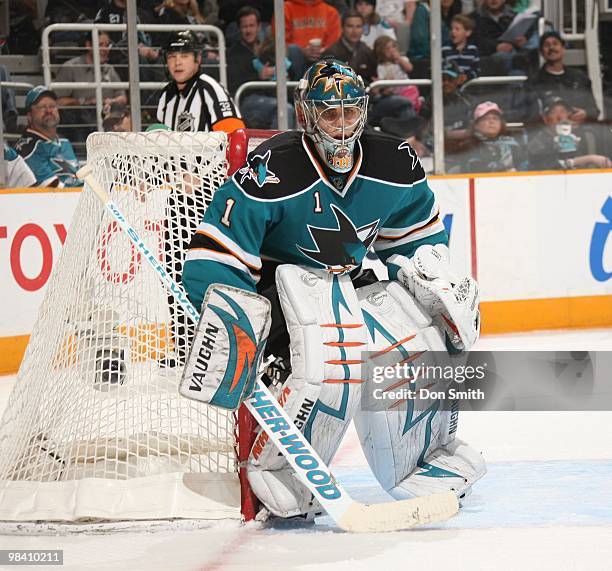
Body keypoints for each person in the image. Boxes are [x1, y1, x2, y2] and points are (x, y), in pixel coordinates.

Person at [182, 59, 485, 519]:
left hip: (348, 280)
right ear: (308, 115)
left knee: (414, 346)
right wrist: (234, 320)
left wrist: (435, 283)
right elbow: (217, 251)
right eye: (330, 114)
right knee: (328, 365)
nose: (341, 127)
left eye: (349, 112)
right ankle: (283, 475)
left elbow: (416, 237)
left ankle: (422, 462)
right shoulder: (273, 169)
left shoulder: (393, 161)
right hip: (282, 287)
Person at [156, 31, 245, 133]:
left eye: (184, 56)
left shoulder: (210, 89)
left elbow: (235, 136)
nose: (177, 63)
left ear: (198, 59)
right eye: (172, 57)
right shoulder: (166, 95)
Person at [54, 31, 127, 143]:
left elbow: (122, 97)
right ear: (88, 45)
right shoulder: (71, 67)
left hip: (106, 112)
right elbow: (58, 101)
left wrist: (109, 101)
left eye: (107, 45)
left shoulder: (109, 69)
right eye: (100, 45)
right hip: (80, 116)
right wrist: (86, 101)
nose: (105, 49)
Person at [14, 86, 82, 188]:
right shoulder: (27, 148)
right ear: (29, 116)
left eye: (52, 106)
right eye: (42, 107)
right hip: (56, 201)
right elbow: (50, 187)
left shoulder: (64, 142)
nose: (49, 110)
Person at [527, 31, 600, 125]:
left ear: (563, 49)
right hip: (546, 135)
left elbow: (595, 111)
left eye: (555, 43)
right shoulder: (533, 82)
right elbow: (529, 115)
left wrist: (586, 114)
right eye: (547, 45)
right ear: (542, 53)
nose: (551, 48)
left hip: (579, 133)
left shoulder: (580, 78)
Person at [527, 96, 612, 171]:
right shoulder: (537, 142)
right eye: (553, 112)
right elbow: (551, 167)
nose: (559, 117)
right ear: (545, 119)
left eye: (563, 111)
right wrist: (589, 159)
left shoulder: (578, 137)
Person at [462, 100, 526, 173]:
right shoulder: (469, 146)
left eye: (495, 118)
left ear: (501, 124)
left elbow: (523, 166)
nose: (491, 122)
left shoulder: (512, 145)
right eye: (486, 119)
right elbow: (472, 168)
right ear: (476, 125)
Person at [322, 10, 378, 85]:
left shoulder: (367, 51)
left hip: (366, 94)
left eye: (358, 26)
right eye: (350, 26)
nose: (354, 31)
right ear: (342, 28)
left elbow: (373, 79)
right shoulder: (331, 53)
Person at [442, 14, 480, 85]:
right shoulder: (444, 49)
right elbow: (440, 70)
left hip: (467, 87)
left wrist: (466, 77)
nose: (453, 31)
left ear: (468, 32)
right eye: (451, 29)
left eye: (457, 29)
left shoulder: (473, 50)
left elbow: (476, 70)